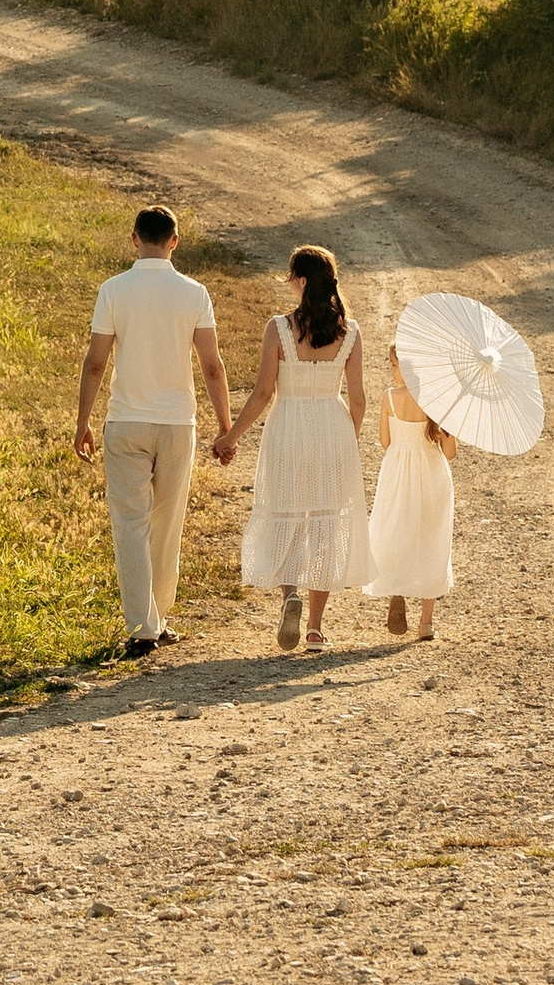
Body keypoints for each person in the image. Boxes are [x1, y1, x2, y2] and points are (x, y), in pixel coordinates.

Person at [75, 205, 231, 658]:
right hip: (177, 422)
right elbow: (212, 366)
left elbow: (96, 362)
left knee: (130, 523)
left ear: (134, 239)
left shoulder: (113, 290)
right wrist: (225, 425)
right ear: (174, 241)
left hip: (126, 419)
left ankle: (143, 626)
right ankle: (158, 618)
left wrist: (83, 421)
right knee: (168, 523)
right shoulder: (195, 293)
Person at [222, 242, 371, 650]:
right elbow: (358, 399)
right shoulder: (350, 332)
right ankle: (316, 628)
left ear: (302, 281)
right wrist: (349, 441)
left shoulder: (279, 328)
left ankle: (290, 595)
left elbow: (262, 393)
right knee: (326, 521)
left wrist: (231, 437)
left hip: (288, 425)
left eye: (291, 277)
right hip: (332, 427)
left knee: (287, 509)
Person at [363, 347, 456, 641]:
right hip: (432, 475)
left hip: (398, 473)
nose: (393, 371)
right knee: (431, 539)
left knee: (397, 530)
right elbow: (450, 453)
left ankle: (397, 589)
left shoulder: (390, 398)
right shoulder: (437, 402)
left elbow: (385, 442)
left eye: (395, 365)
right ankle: (426, 622)